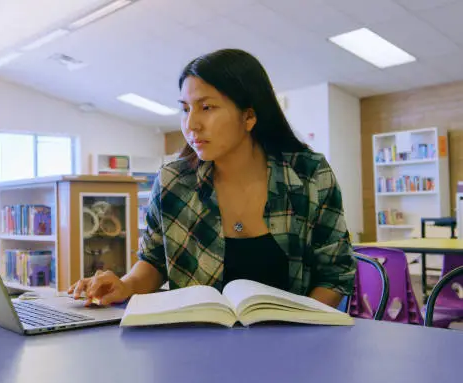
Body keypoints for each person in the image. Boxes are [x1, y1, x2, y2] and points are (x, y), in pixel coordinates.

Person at [68, 48, 356, 308]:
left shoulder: (308, 175)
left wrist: (301, 327)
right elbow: (155, 262)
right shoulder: (173, 183)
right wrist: (126, 285)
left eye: (206, 107)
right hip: (197, 345)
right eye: (185, 109)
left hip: (293, 350)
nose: (191, 124)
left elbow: (335, 275)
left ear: (249, 116)